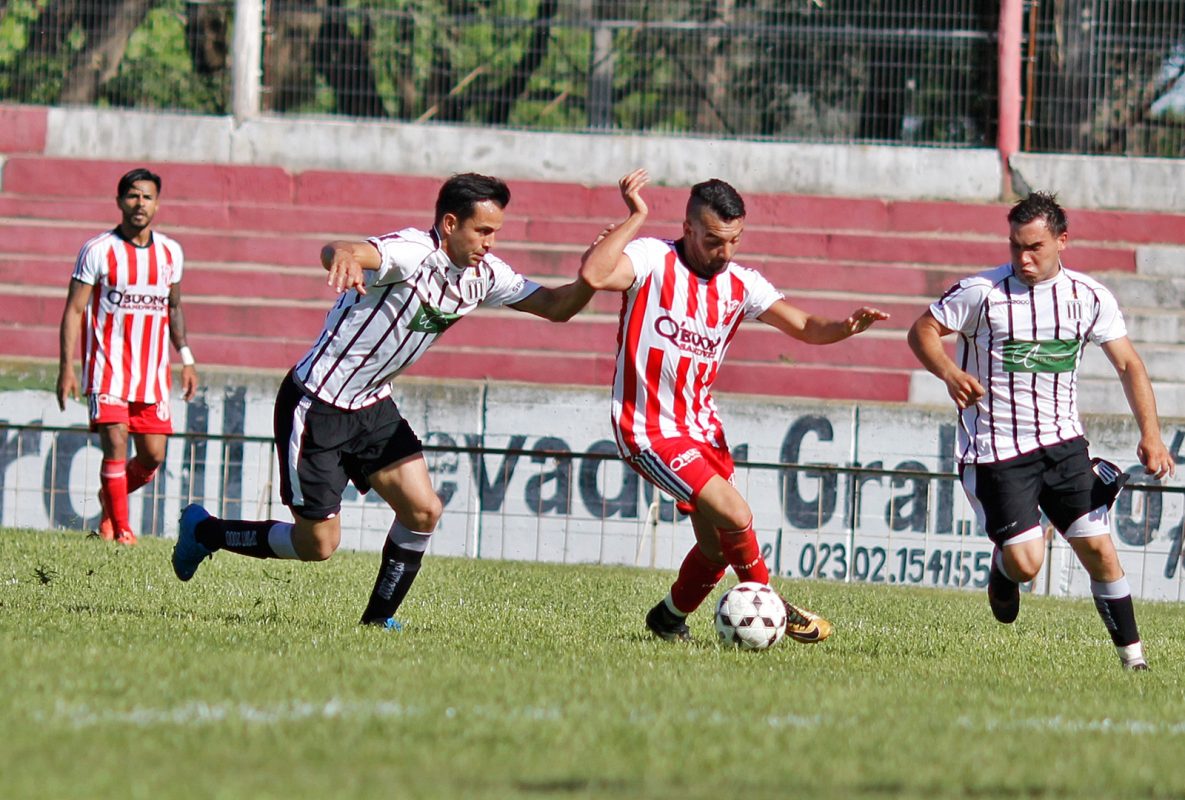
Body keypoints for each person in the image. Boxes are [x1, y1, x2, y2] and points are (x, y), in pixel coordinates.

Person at [171, 170, 650, 628]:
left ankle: (377, 619)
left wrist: (595, 272)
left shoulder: (484, 275)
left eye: (496, 232)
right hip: (317, 404)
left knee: (423, 510)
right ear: (450, 224)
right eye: (483, 231)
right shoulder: (411, 252)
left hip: (373, 406)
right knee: (318, 545)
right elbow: (345, 249)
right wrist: (342, 255)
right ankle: (204, 531)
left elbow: (557, 307)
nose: (490, 242)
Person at [577, 177, 889, 643]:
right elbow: (595, 275)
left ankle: (667, 619)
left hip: (703, 429)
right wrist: (636, 216)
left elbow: (804, 324)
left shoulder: (741, 283)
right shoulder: (651, 258)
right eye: (713, 240)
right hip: (648, 429)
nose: (725, 252)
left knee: (716, 548)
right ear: (688, 227)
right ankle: (771, 603)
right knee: (737, 514)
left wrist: (844, 327)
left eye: (734, 241)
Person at [907, 191, 1175, 671]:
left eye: (1035, 247)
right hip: (996, 450)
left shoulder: (1088, 297)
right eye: (1016, 246)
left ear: (1062, 241)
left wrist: (1151, 436)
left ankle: (1134, 663)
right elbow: (921, 331)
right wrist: (949, 372)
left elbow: (1129, 364)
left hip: (1063, 445)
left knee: (1100, 550)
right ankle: (1003, 569)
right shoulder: (981, 292)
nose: (1024, 258)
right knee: (1028, 562)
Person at [57, 167, 199, 545]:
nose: (140, 203)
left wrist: (186, 357)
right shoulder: (98, 250)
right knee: (116, 444)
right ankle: (122, 531)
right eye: (133, 196)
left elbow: (174, 307)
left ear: (157, 204)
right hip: (107, 369)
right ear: (120, 201)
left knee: (152, 456)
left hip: (152, 374)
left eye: (147, 197)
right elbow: (74, 310)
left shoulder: (171, 252)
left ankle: (110, 497)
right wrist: (67, 368)